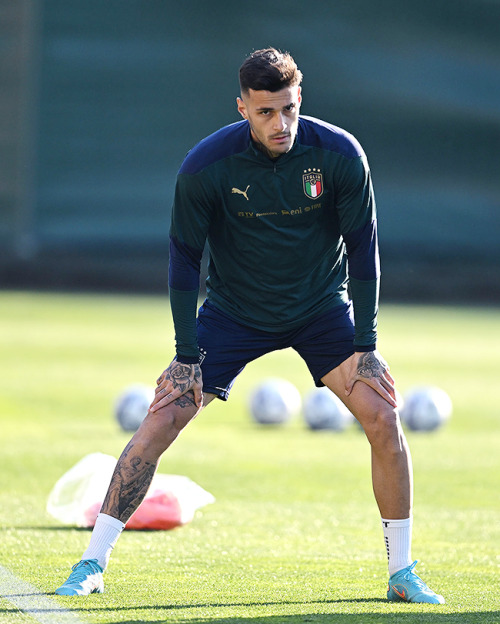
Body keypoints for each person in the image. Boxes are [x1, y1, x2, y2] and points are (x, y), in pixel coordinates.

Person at [55, 47, 444, 604]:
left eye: (287, 108)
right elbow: (184, 259)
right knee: (159, 422)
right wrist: (185, 353)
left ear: (300, 98)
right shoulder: (206, 166)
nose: (280, 123)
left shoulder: (340, 154)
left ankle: (402, 573)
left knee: (384, 417)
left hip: (320, 310)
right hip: (234, 314)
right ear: (242, 108)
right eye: (265, 112)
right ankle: (90, 565)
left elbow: (364, 249)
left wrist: (367, 346)